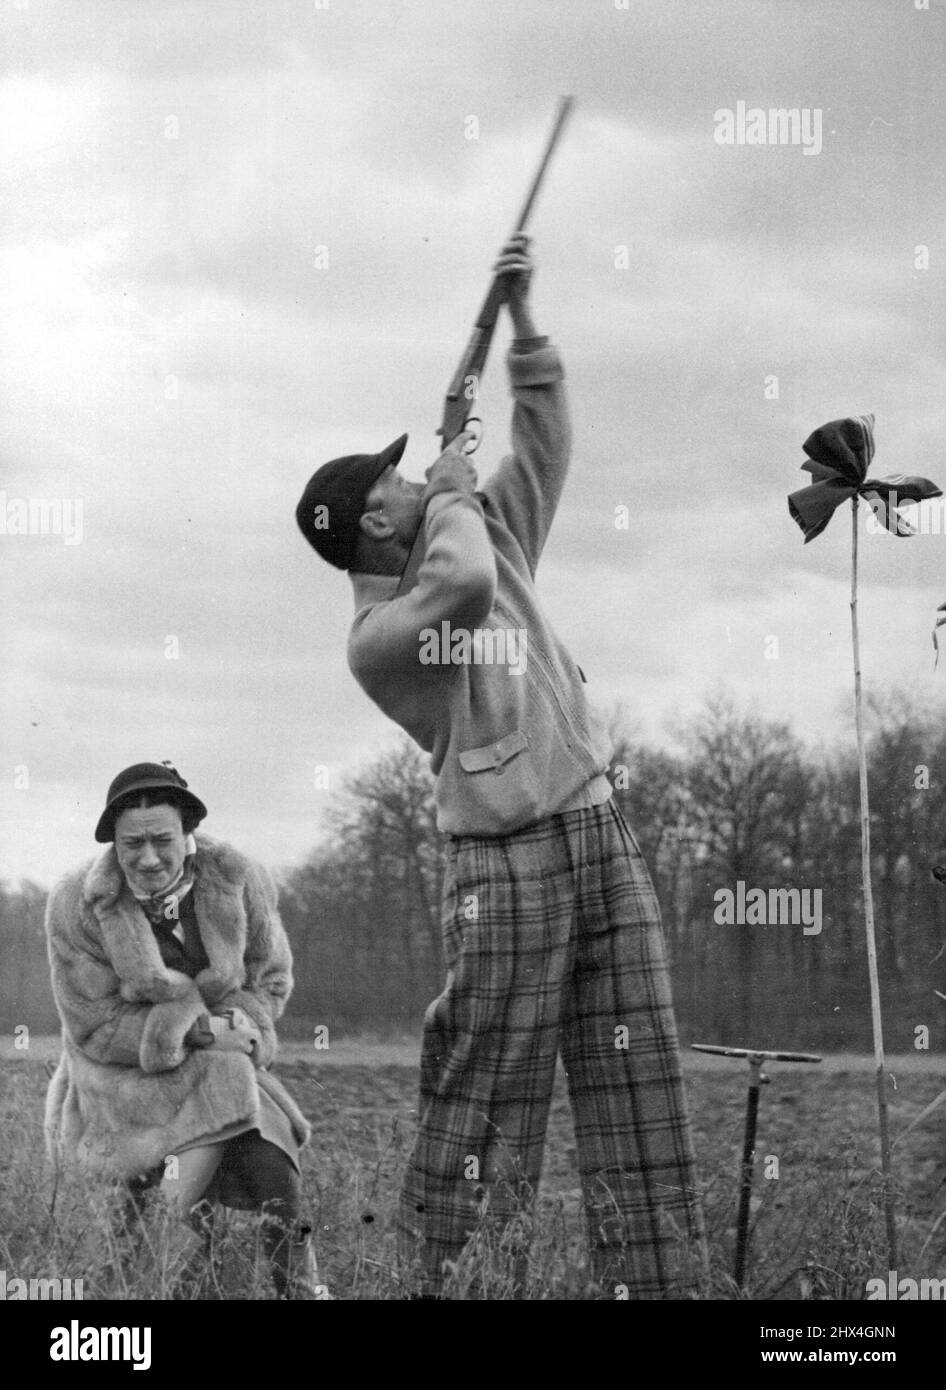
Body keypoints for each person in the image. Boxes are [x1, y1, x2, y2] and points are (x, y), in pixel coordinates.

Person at [295, 235, 704, 1298]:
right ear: (379, 518)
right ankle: (453, 1284)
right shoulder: (381, 634)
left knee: (638, 1080)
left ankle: (656, 1291)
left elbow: (549, 448)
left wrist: (523, 324)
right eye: (400, 476)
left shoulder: (468, 528)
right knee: (488, 1100)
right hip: (502, 866)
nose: (417, 475)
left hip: (595, 830)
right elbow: (466, 579)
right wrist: (453, 483)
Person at [44, 760, 324, 1299]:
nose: (147, 859)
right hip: (121, 1078)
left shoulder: (236, 877)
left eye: (161, 840)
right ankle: (139, 1293)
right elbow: (92, 1025)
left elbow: (271, 978)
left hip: (225, 1061)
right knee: (172, 1211)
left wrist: (244, 1022)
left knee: (274, 1166)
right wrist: (193, 1033)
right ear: (114, 845)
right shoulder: (76, 901)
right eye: (132, 845)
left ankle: (301, 1290)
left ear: (187, 833)